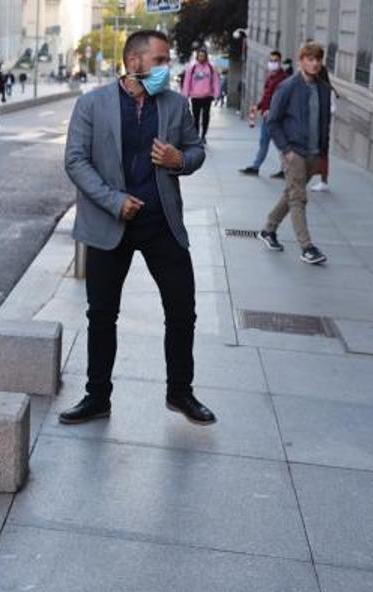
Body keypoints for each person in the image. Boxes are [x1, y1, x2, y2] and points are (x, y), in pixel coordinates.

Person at [60, 30, 215, 427]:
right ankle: (97, 397)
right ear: (134, 62)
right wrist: (115, 201)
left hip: (161, 223)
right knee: (102, 314)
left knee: (182, 311)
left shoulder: (176, 105)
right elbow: (75, 161)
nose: (167, 67)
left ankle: (180, 393)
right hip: (110, 224)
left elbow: (196, 150)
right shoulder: (92, 104)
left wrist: (180, 158)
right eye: (161, 60)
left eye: (167, 60)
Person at [257, 41, 331, 266]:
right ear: (301, 61)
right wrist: (286, 150)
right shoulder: (288, 86)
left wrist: (323, 154)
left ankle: (269, 229)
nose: (315, 63)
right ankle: (307, 247)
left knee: (291, 192)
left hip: (313, 153)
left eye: (318, 59)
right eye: (310, 59)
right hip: (294, 151)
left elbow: (324, 122)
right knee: (298, 197)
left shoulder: (323, 88)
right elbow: (272, 121)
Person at [240, 50, 286, 175]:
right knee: (264, 141)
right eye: (271, 60)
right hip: (267, 115)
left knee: (279, 143)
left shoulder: (282, 79)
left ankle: (285, 168)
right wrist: (259, 106)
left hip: (274, 116)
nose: (272, 63)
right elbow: (267, 96)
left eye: (275, 61)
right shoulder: (271, 77)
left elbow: (280, 99)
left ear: (280, 62)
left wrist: (271, 110)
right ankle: (256, 166)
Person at [308, 63, 337, 192]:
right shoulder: (312, 88)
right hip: (312, 125)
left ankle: (324, 180)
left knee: (323, 153)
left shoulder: (328, 90)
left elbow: (333, 108)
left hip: (322, 127)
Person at [182, 48, 219, 144]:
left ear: (206, 56)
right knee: (196, 117)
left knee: (206, 116)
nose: (201, 57)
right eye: (199, 55)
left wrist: (216, 93)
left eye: (203, 55)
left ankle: (203, 135)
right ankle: (196, 135)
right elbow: (187, 81)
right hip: (195, 96)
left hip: (207, 96)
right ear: (197, 56)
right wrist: (185, 94)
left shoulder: (211, 67)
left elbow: (215, 80)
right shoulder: (192, 67)